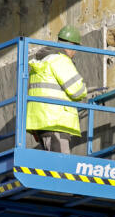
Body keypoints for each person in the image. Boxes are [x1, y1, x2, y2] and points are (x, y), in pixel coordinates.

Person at [26, 25, 88, 153]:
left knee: (50, 169)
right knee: (60, 168)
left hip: (40, 122)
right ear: (71, 45)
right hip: (56, 121)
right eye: (75, 49)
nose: (74, 53)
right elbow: (78, 91)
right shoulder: (60, 59)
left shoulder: (43, 61)